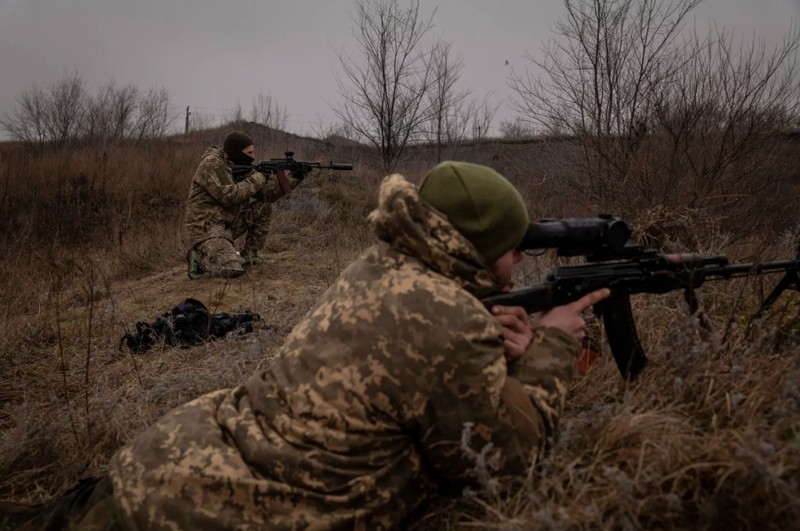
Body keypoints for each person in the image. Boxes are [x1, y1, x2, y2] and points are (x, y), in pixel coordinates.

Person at [2, 161, 609, 530]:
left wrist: (487, 354)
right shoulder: (449, 319)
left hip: (168, 460)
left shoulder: (378, 270)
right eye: (512, 243)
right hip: (202, 514)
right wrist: (553, 345)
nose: (521, 257)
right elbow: (502, 464)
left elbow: (409, 369)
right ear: (475, 247)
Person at [184, 130, 300, 280]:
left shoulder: (241, 165)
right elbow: (229, 195)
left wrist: (295, 177)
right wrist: (259, 177)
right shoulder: (213, 163)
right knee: (231, 268)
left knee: (263, 206)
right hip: (206, 228)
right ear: (236, 152)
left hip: (228, 224)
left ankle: (250, 254)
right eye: (249, 152)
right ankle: (199, 258)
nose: (252, 156)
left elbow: (267, 194)